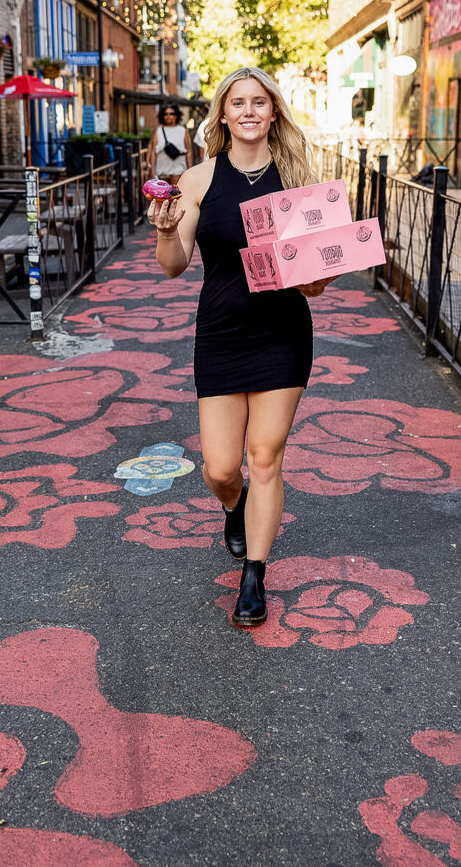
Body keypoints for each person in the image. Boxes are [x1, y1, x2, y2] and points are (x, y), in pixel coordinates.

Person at [147, 67, 336, 628]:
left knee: (265, 456)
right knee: (222, 466)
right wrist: (163, 230)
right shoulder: (199, 180)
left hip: (282, 331)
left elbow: (317, 279)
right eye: (239, 103)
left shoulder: (298, 179)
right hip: (222, 334)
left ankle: (254, 576)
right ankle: (234, 506)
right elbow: (173, 266)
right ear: (223, 115)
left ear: (274, 112)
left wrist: (316, 275)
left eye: (260, 102)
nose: (250, 111)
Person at [146, 104, 193, 186]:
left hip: (178, 168)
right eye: (166, 114)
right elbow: (153, 151)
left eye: (171, 114)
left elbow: (189, 151)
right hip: (162, 169)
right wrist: (152, 171)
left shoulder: (183, 131)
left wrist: (190, 170)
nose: (168, 116)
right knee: (164, 195)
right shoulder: (158, 131)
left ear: (176, 116)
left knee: (175, 194)